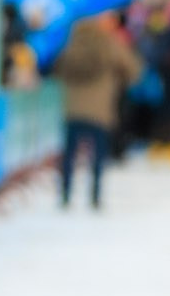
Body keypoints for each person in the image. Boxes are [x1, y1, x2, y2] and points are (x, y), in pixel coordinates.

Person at [51, 12, 140, 210]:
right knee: (98, 155)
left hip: (72, 109)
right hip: (100, 110)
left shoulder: (71, 46)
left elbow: (57, 70)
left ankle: (65, 195)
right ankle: (95, 196)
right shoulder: (110, 45)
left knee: (69, 154)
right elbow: (133, 70)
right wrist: (119, 82)